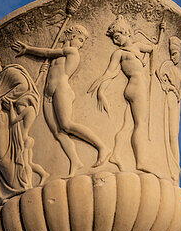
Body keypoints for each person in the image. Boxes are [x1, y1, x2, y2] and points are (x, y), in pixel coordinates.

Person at [12, 23, 109, 174]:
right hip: (48, 94)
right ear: (71, 36)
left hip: (61, 89)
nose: (81, 44)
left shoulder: (71, 51)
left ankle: (102, 147)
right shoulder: (60, 55)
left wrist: (28, 49)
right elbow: (51, 61)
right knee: (57, 132)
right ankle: (75, 161)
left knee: (67, 124)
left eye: (83, 41)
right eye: (80, 39)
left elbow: (47, 52)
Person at [88, 16, 163, 173]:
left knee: (128, 125)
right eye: (114, 38)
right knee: (140, 125)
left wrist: (160, 35)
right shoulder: (120, 53)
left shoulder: (136, 46)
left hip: (132, 88)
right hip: (137, 88)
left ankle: (116, 154)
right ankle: (141, 162)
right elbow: (109, 73)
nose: (115, 41)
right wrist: (101, 91)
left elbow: (154, 48)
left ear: (126, 32)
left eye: (117, 37)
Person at [0, 54, 41, 204]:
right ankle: (1, 195)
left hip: (4, 122)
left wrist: (4, 100)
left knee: (3, 157)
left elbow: (23, 86)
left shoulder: (9, 72)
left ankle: (17, 187)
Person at [157, 36, 181, 181]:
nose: (173, 57)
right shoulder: (168, 67)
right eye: (171, 53)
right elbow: (160, 77)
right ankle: (172, 166)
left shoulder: (180, 73)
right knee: (170, 134)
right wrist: (168, 87)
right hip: (169, 98)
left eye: (175, 53)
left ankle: (175, 168)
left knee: (173, 134)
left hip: (175, 102)